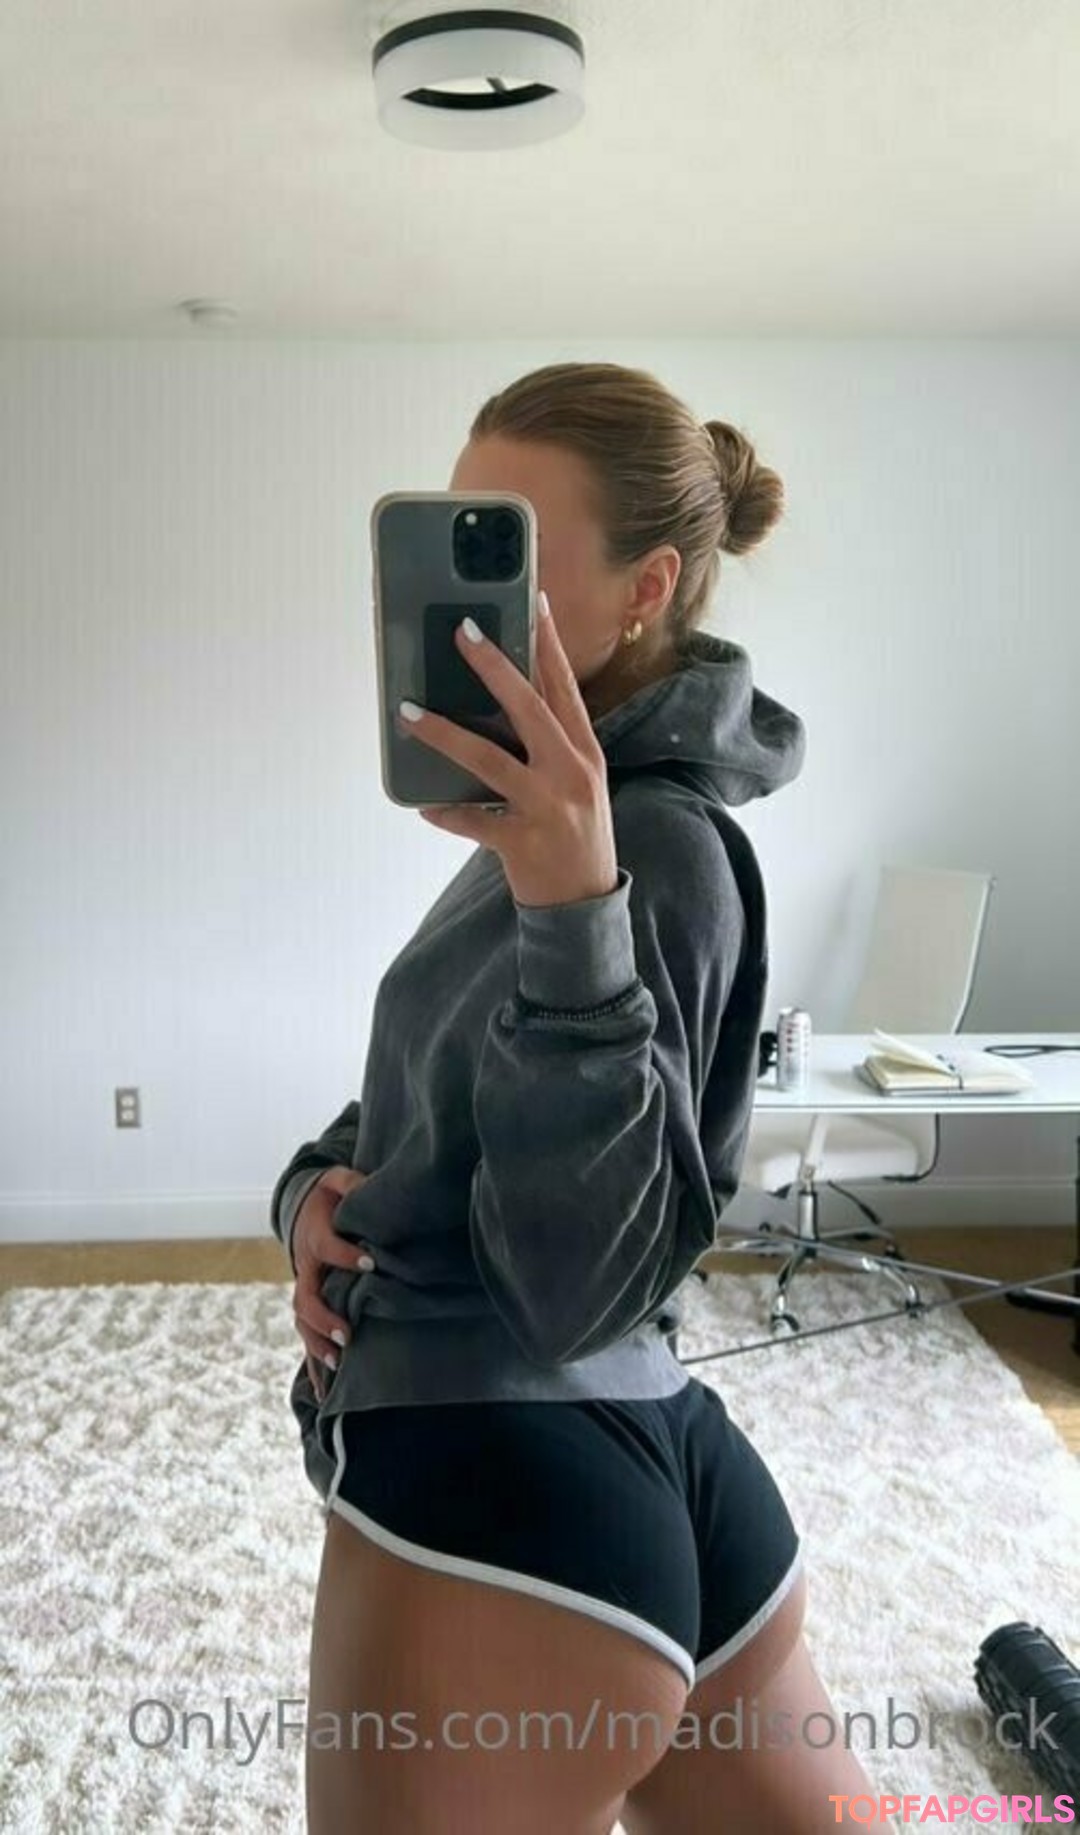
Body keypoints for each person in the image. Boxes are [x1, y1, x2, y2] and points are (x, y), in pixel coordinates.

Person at [270, 363, 894, 1833]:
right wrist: (312, 1198)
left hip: (498, 1495)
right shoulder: (560, 822)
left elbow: (572, 1286)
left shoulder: (648, 849)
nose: (457, 610)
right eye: (452, 539)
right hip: (650, 1474)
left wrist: (569, 904)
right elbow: (431, 1100)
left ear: (645, 590)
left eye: (508, 559)